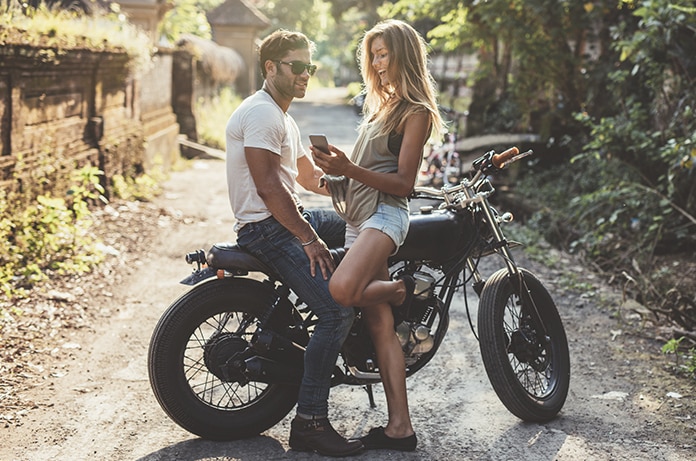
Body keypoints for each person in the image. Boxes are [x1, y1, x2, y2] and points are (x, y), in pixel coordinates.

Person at [225, 29, 362, 457]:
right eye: (297, 66)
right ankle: (311, 422)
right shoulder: (263, 114)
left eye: (310, 67)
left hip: (282, 219)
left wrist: (358, 188)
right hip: (269, 227)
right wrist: (309, 238)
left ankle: (372, 322)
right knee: (336, 312)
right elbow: (269, 187)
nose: (305, 75)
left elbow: (306, 178)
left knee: (365, 227)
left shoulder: (282, 115)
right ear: (271, 68)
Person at [310, 19, 445, 452]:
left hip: (386, 217)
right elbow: (368, 172)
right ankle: (400, 430)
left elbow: (403, 183)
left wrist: (349, 169)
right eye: (373, 54)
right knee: (380, 323)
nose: (377, 62)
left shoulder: (416, 113)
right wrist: (335, 176)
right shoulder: (378, 106)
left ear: (403, 55)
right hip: (360, 216)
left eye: (384, 53)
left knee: (342, 289)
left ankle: (403, 290)